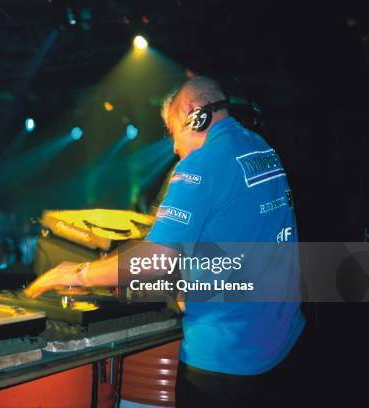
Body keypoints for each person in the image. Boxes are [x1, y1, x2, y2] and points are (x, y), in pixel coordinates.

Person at [25, 76, 306, 407]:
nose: (173, 148)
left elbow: (155, 259)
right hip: (284, 346)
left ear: (191, 113)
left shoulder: (202, 164)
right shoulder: (260, 147)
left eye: (173, 132)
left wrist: (76, 274)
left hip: (227, 363)